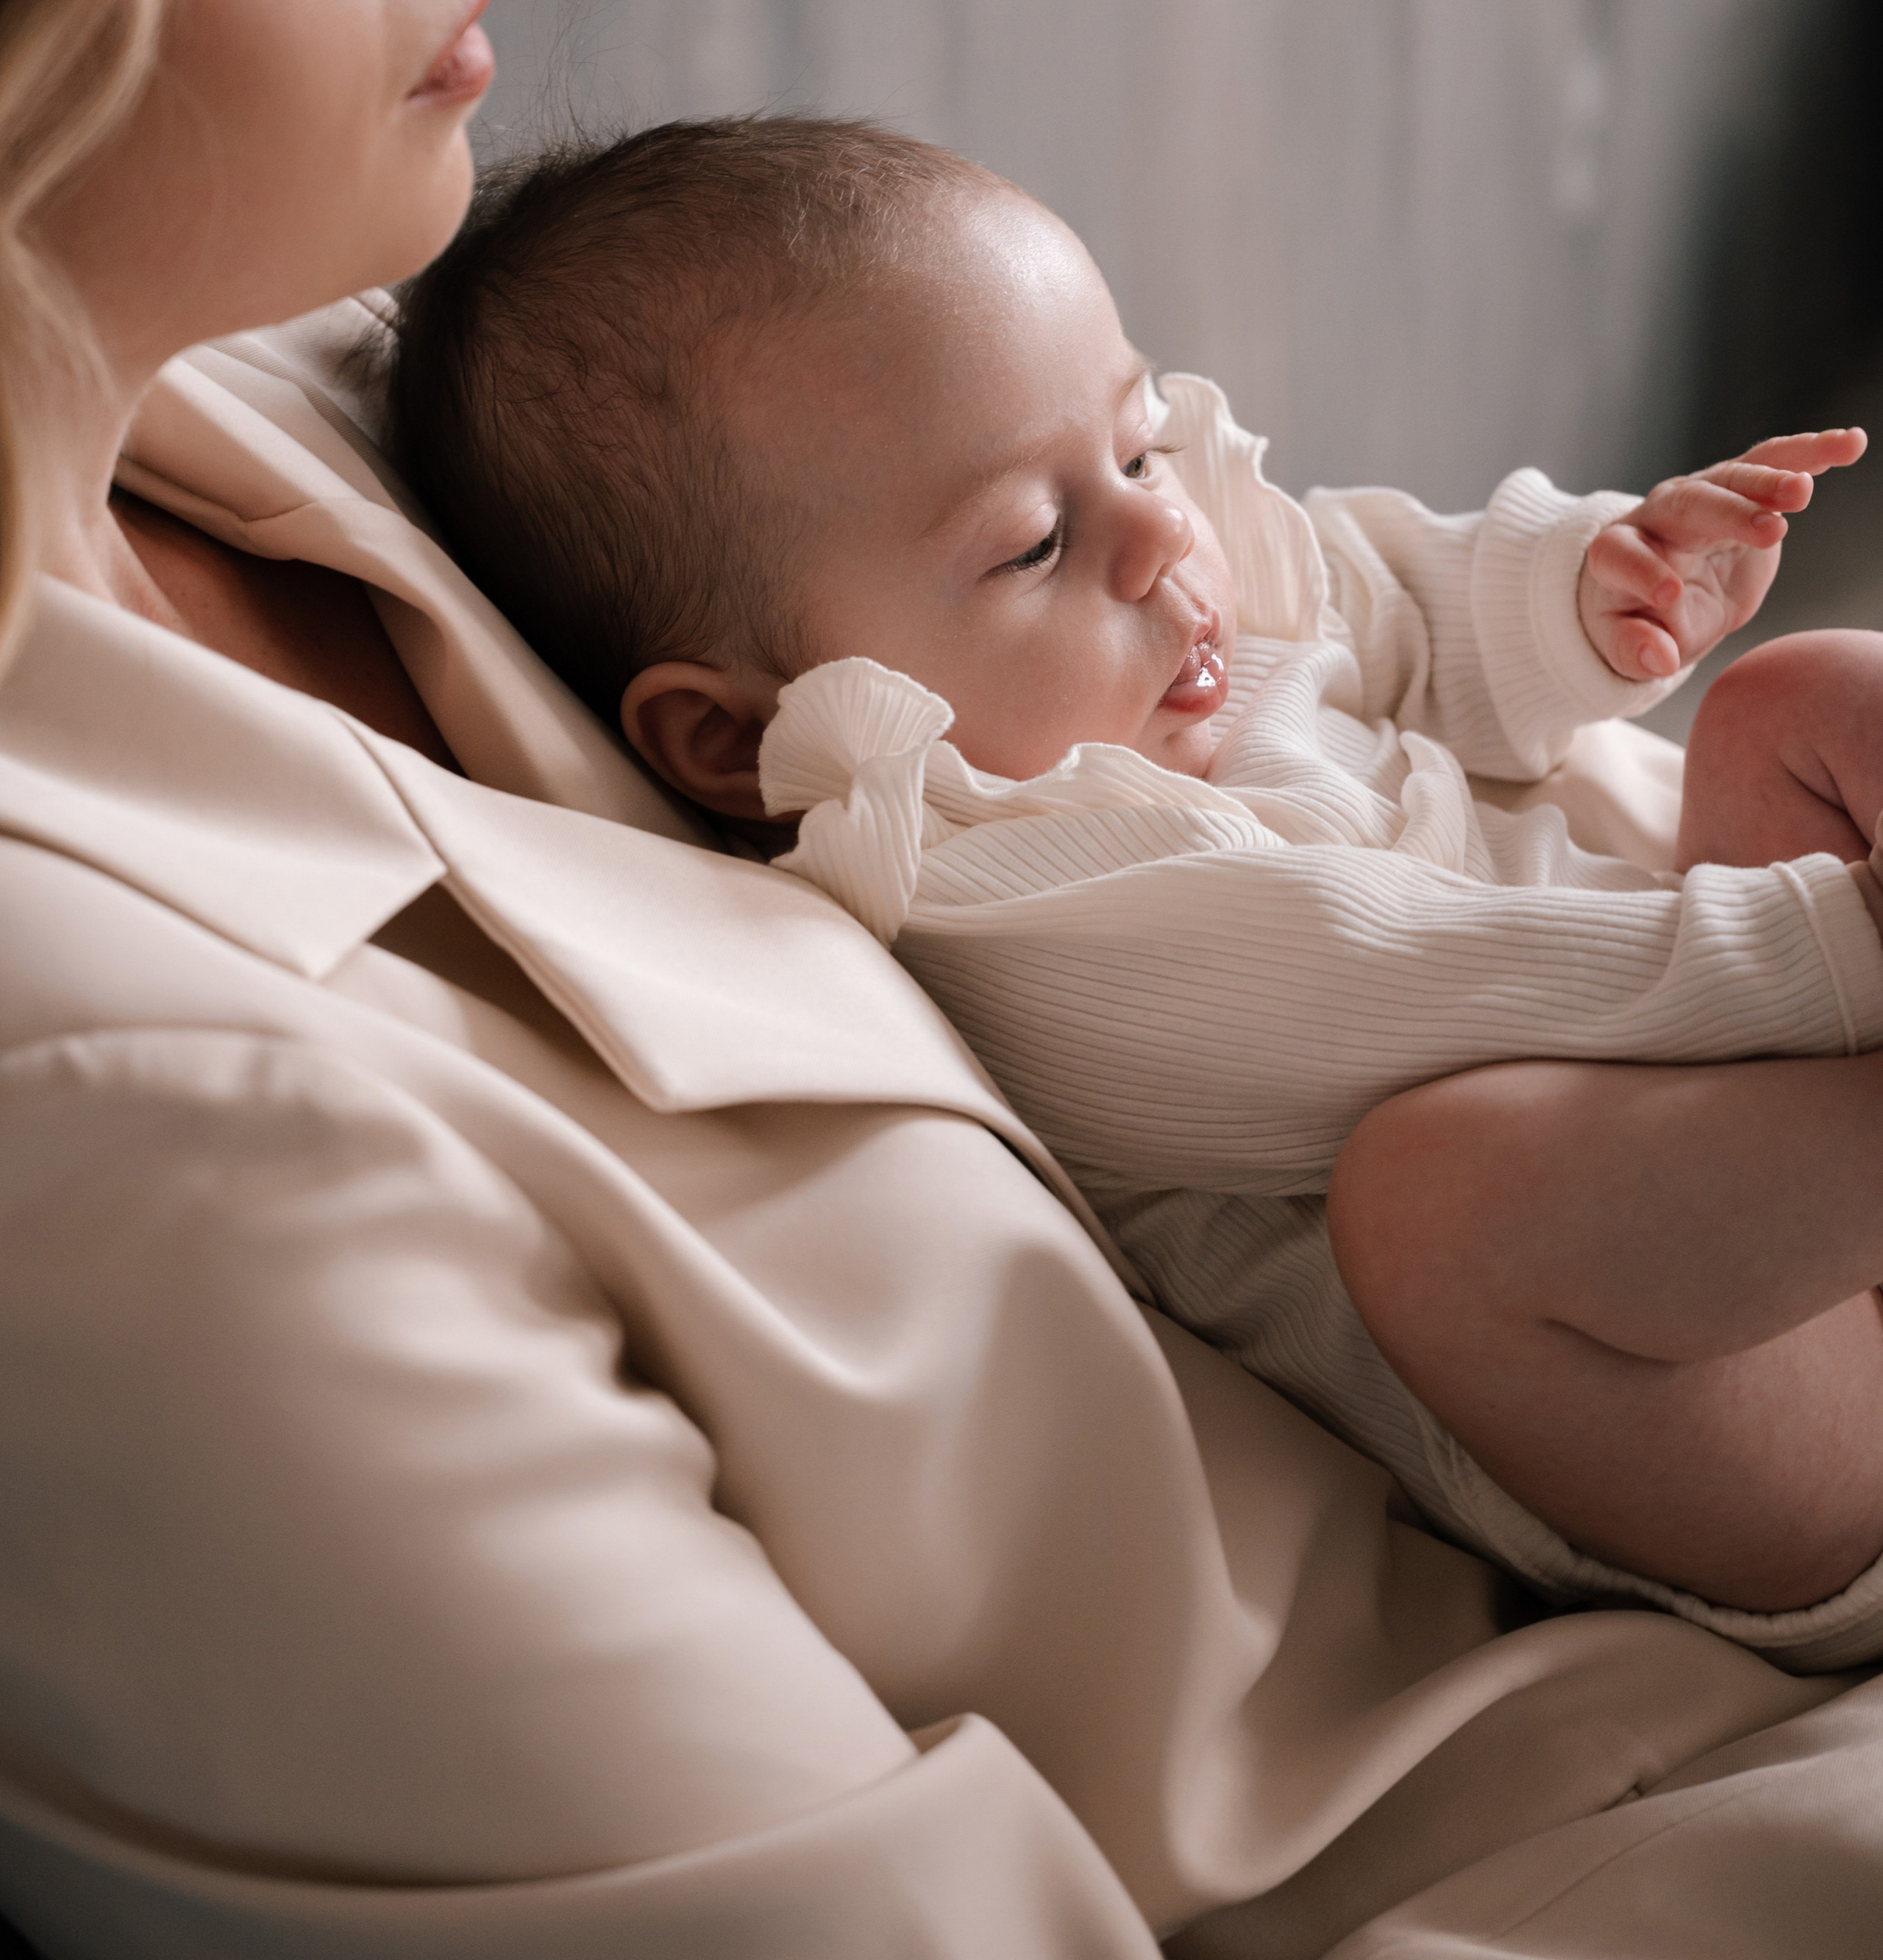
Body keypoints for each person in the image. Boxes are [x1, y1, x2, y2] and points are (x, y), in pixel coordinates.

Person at [8, 0, 1883, 1960]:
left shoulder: (283, 382)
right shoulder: (121, 1159)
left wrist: (1542, 616)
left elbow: (1277, 556)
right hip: (1657, 1834)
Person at [391, 113, 1883, 1657]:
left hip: (1761, 1171)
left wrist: (1579, 591)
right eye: (1035, 542)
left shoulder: (1153, 622)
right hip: (1704, 1401)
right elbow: (1408, 981)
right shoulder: (1008, 894)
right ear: (739, 730)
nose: (1160, 529)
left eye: (1135, 440)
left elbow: (1366, 596)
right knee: (1436, 1198)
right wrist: (1837, 941)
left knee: (1798, 697)